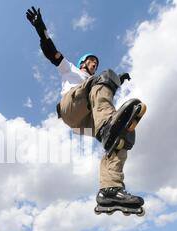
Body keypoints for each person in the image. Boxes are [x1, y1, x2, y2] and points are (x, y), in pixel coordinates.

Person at [26, 7, 145, 212]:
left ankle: (110, 189)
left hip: (86, 121)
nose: (94, 64)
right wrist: (40, 29)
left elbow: (102, 96)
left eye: (96, 63)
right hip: (70, 106)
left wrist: (118, 81)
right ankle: (109, 126)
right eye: (91, 62)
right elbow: (51, 52)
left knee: (122, 139)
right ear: (83, 63)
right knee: (103, 80)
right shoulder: (70, 69)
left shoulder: (95, 81)